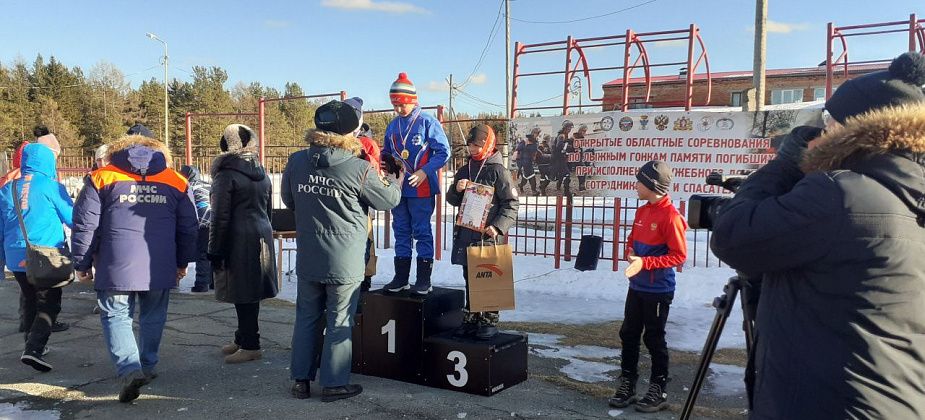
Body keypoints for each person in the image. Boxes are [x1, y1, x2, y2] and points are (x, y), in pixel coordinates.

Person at [710, 52, 925, 418]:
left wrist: (785, 165)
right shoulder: (908, 192)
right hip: (892, 399)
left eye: (828, 121)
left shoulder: (841, 193)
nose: (822, 132)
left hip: (828, 403)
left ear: (853, 129)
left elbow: (733, 235)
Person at [283, 99, 400, 402]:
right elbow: (388, 200)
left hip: (309, 254)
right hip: (344, 259)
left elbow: (289, 199)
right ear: (351, 131)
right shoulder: (358, 168)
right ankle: (334, 383)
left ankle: (301, 381)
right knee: (339, 320)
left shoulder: (297, 161)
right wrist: (393, 180)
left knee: (307, 317)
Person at [71, 134, 198, 402]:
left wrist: (81, 262)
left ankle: (130, 369)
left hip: (114, 263)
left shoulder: (101, 178)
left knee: (116, 315)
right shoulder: (175, 180)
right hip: (159, 262)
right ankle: (147, 365)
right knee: (154, 314)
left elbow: (86, 225)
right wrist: (182, 262)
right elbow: (188, 227)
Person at [609, 160, 688, 413]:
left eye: (639, 181)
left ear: (652, 185)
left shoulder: (671, 216)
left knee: (654, 338)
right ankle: (628, 384)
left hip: (658, 290)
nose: (635, 185)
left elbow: (679, 256)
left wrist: (646, 262)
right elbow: (632, 239)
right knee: (629, 333)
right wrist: (630, 251)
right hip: (637, 286)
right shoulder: (642, 211)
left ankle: (658, 388)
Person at [0, 141, 74, 372]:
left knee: (30, 297)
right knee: (49, 303)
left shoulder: (7, 189)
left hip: (15, 256)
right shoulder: (52, 187)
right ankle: (34, 349)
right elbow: (72, 218)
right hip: (45, 255)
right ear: (48, 162)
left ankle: (30, 343)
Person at [208, 123, 278, 364]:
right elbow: (268, 209)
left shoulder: (226, 174)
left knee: (242, 292)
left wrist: (215, 249)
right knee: (250, 290)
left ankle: (250, 344)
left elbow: (219, 216)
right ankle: (243, 337)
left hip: (236, 237)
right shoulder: (261, 171)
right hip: (260, 233)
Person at [379, 73, 450, 295]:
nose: (399, 109)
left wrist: (424, 171)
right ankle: (401, 278)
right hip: (398, 189)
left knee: (421, 231)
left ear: (413, 100)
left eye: (402, 104)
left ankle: (423, 279)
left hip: (422, 188)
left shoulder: (428, 122)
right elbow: (386, 152)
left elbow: (443, 152)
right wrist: (385, 165)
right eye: (395, 105)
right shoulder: (393, 126)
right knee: (400, 231)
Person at [446, 125, 518, 339]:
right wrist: (455, 189)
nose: (472, 149)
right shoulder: (465, 169)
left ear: (488, 144)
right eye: (470, 145)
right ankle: (471, 318)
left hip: (488, 236)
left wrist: (498, 226)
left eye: (477, 145)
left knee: (488, 278)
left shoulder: (498, 171)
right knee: (470, 278)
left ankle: (489, 320)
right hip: (467, 232)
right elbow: (452, 200)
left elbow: (511, 203)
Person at [180, 165, 213, 293]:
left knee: (202, 254)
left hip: (201, 223)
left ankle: (201, 283)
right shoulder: (208, 185)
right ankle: (214, 282)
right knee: (213, 252)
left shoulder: (187, 187)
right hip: (215, 221)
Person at [551, 120, 575, 194]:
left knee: (562, 173)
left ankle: (558, 186)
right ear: (565, 128)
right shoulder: (561, 136)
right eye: (569, 128)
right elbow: (559, 146)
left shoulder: (564, 135)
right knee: (567, 174)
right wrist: (568, 146)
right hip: (558, 158)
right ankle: (566, 191)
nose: (570, 129)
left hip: (560, 158)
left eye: (570, 128)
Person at [516, 128, 541, 195]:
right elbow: (518, 148)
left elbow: (535, 150)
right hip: (524, 161)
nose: (537, 135)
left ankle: (521, 185)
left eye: (538, 134)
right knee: (532, 175)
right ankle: (534, 191)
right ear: (533, 133)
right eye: (537, 133)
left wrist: (536, 154)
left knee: (526, 177)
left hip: (529, 161)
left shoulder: (535, 142)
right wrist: (526, 144)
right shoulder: (525, 141)